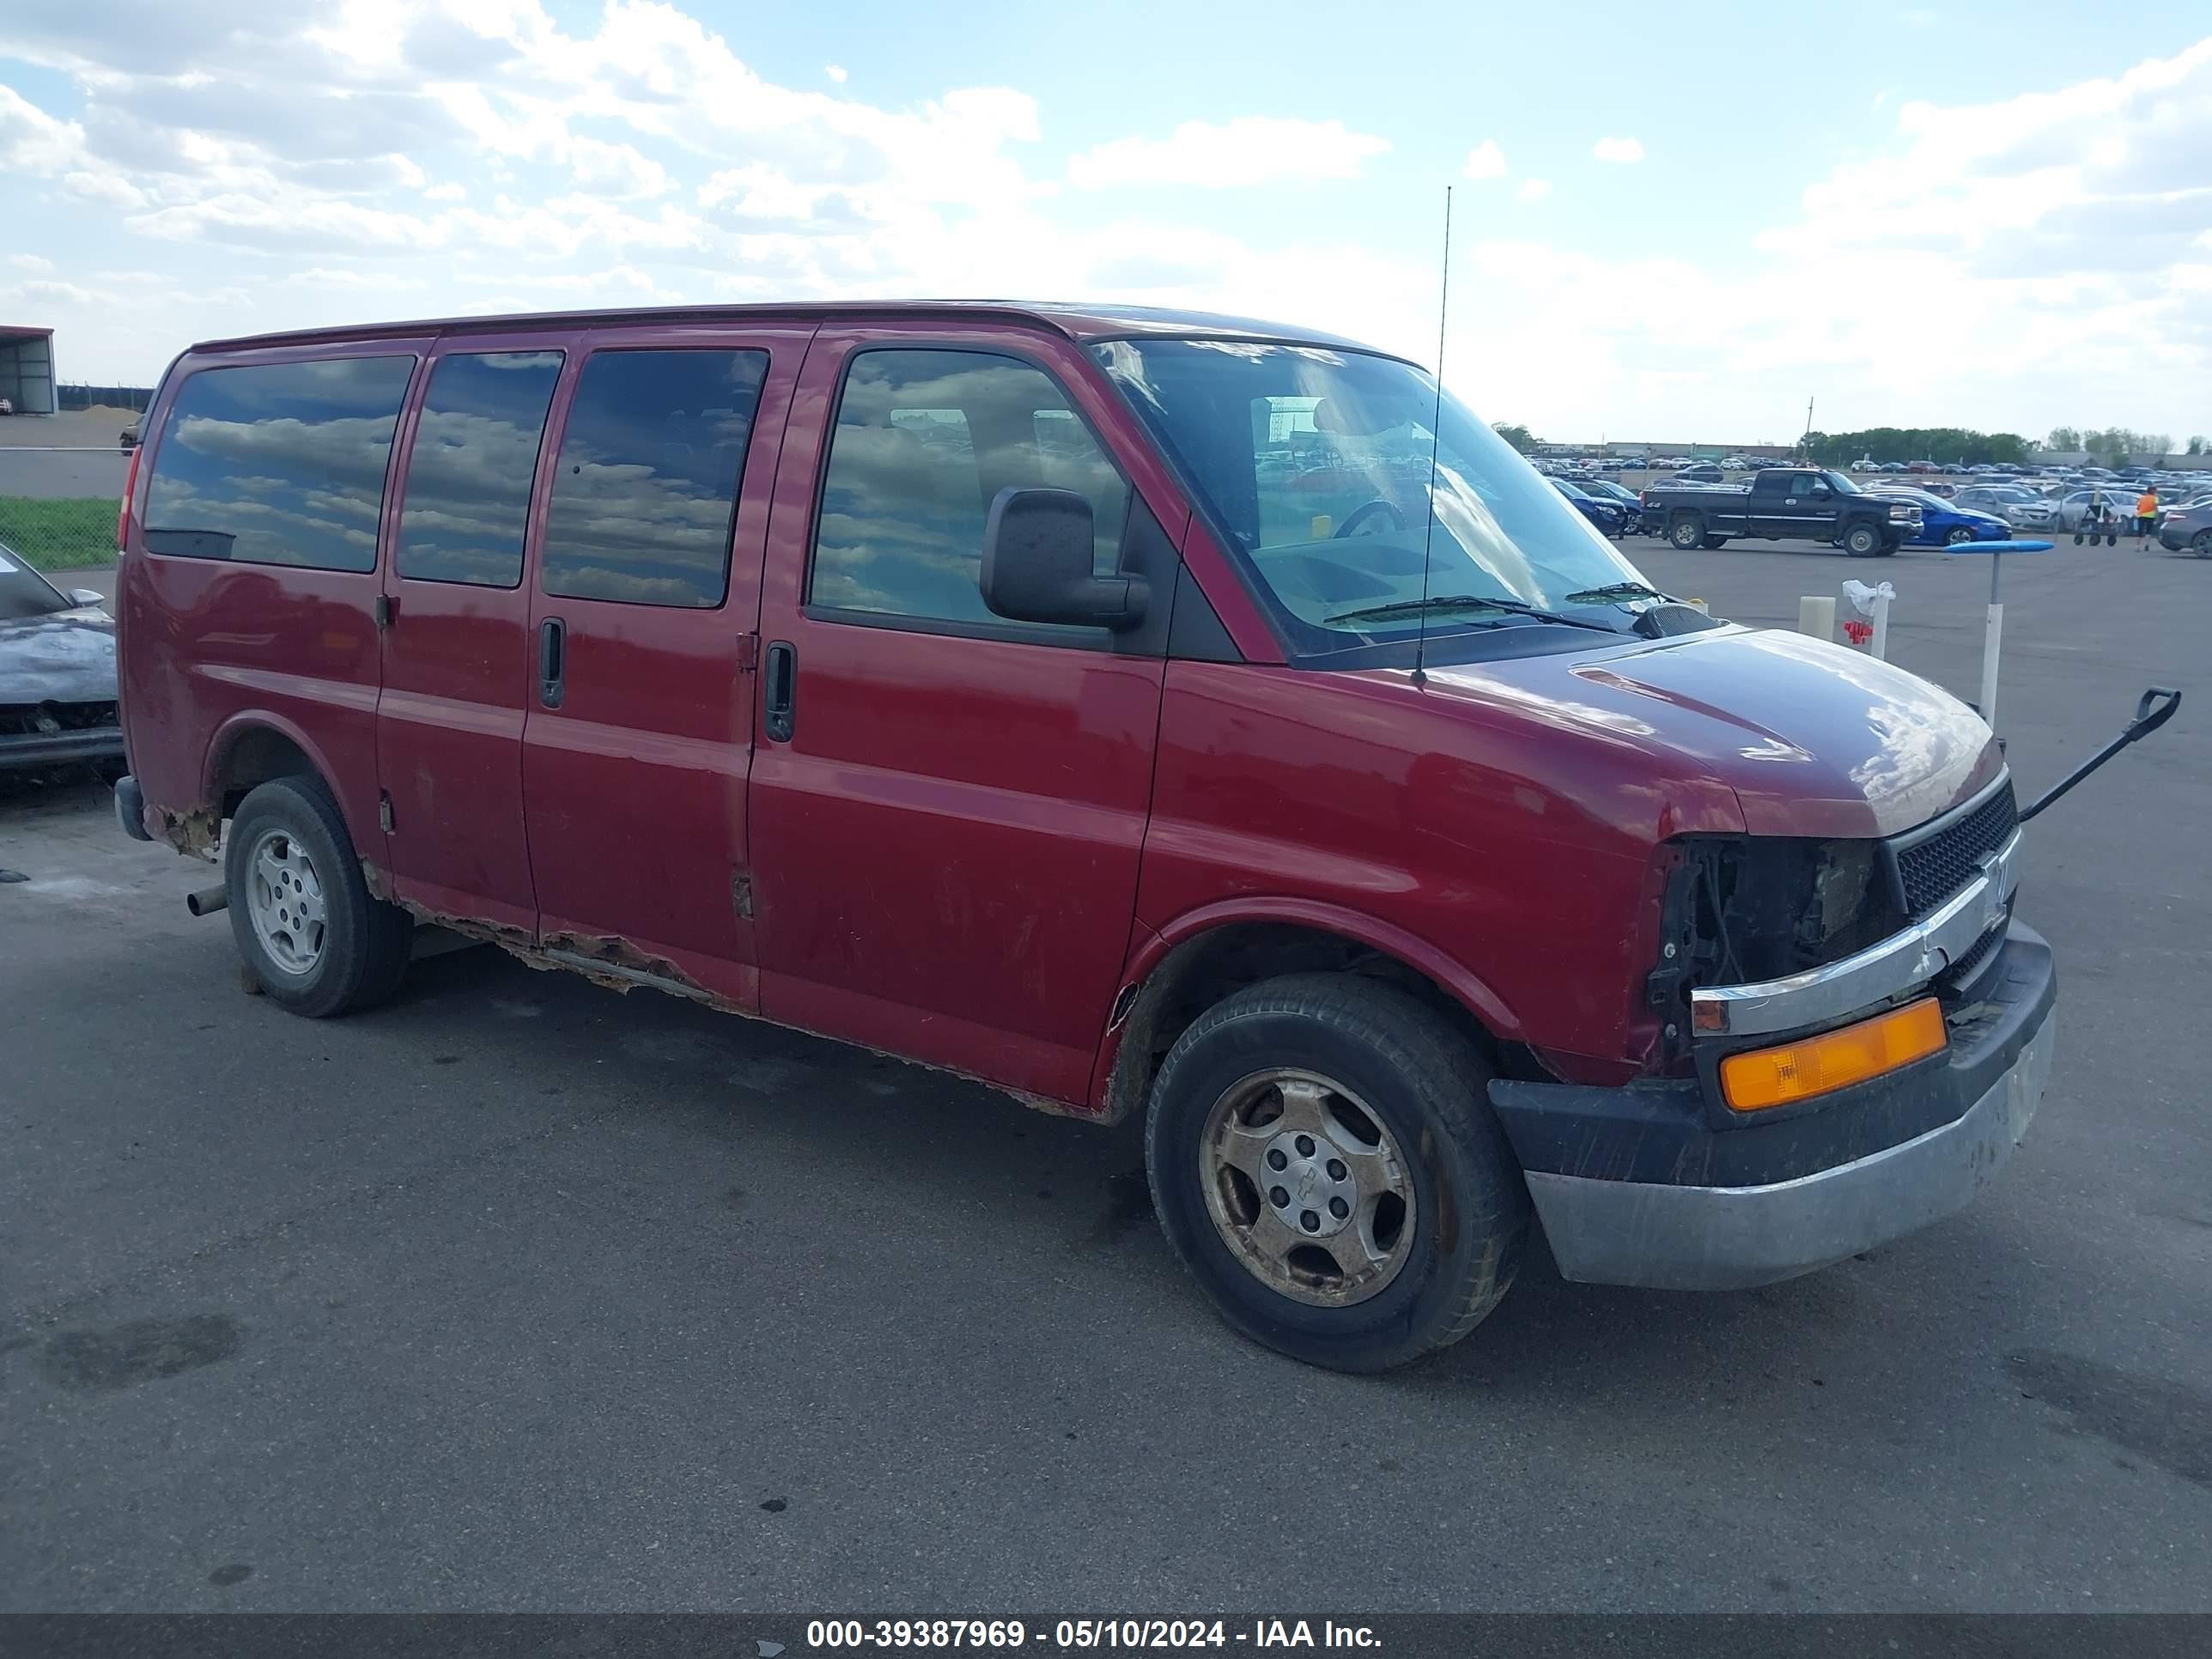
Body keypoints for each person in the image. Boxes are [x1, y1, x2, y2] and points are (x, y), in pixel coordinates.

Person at [2136, 483, 2159, 547]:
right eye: (2155, 491)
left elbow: (2138, 508)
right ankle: (2147, 544)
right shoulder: (2155, 498)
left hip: (2141, 515)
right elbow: (2156, 508)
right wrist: (2157, 517)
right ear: (2153, 491)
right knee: (2149, 531)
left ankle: (2138, 546)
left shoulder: (2142, 498)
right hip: (2151, 516)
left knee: (2140, 531)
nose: (2156, 492)